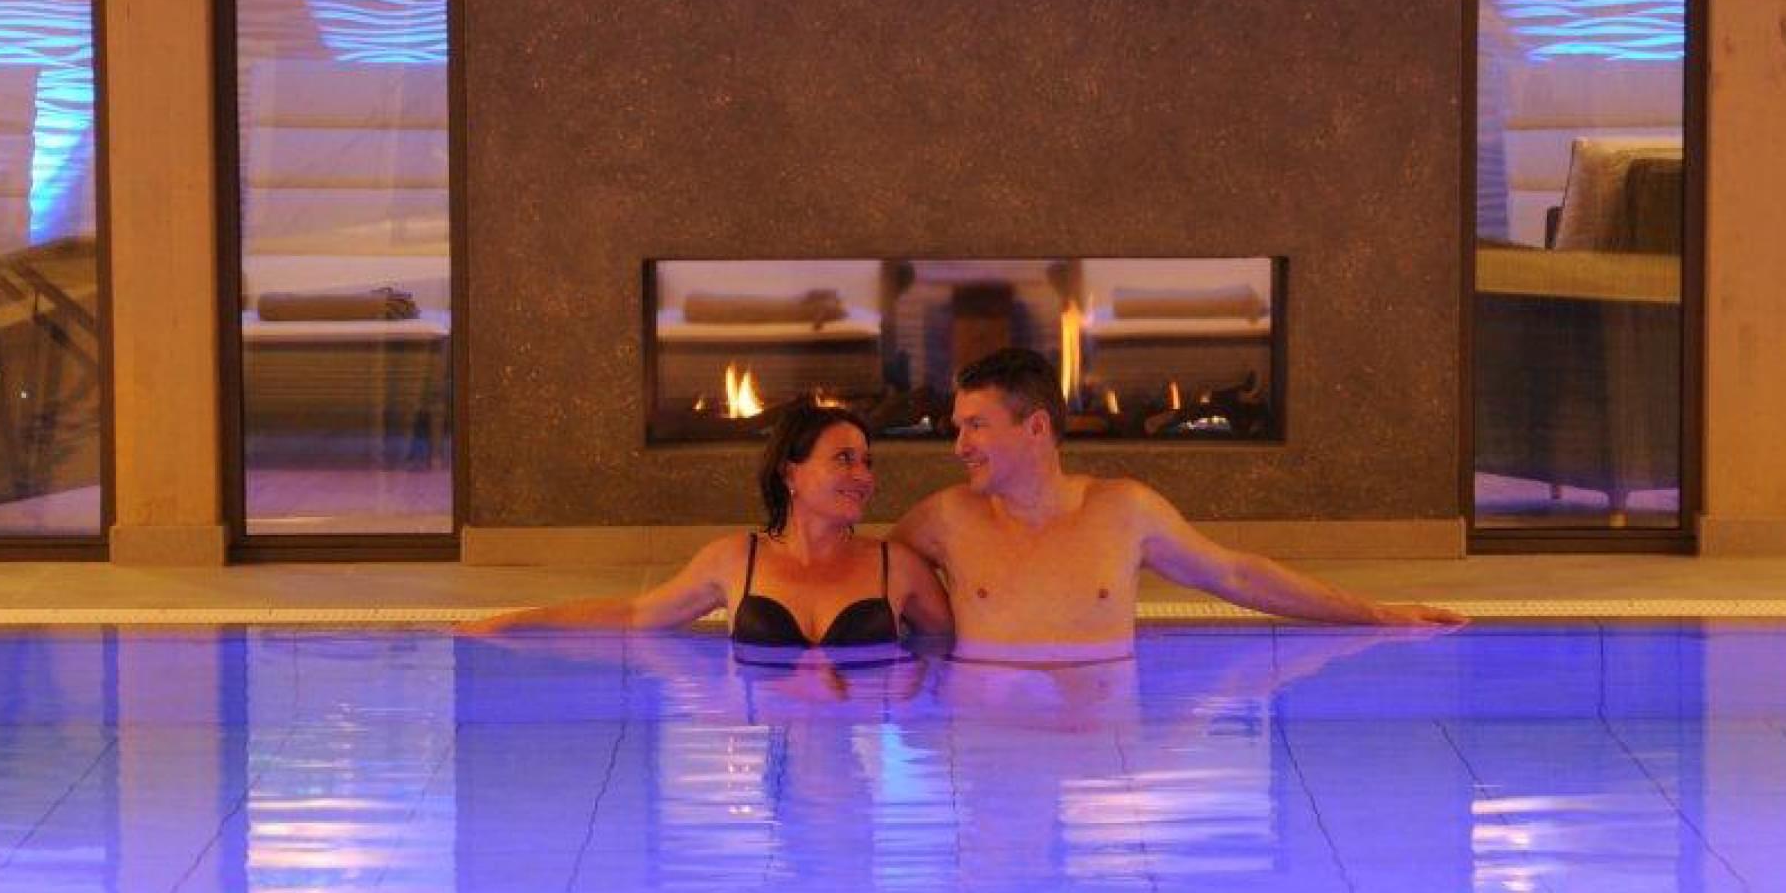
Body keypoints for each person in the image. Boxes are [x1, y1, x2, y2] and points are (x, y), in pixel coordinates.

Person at [894, 347, 1463, 661]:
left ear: (1036, 427)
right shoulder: (945, 518)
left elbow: (1234, 575)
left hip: (1099, 759)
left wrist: (1379, 614)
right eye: (958, 427)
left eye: (976, 426)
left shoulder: (1122, 511)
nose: (959, 446)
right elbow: (869, 576)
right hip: (985, 746)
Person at [462, 400, 950, 658]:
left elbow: (958, 648)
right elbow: (635, 616)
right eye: (844, 459)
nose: (864, 476)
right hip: (772, 734)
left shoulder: (896, 567)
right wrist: (514, 622)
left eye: (867, 461)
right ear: (790, 473)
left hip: (860, 725)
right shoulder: (736, 560)